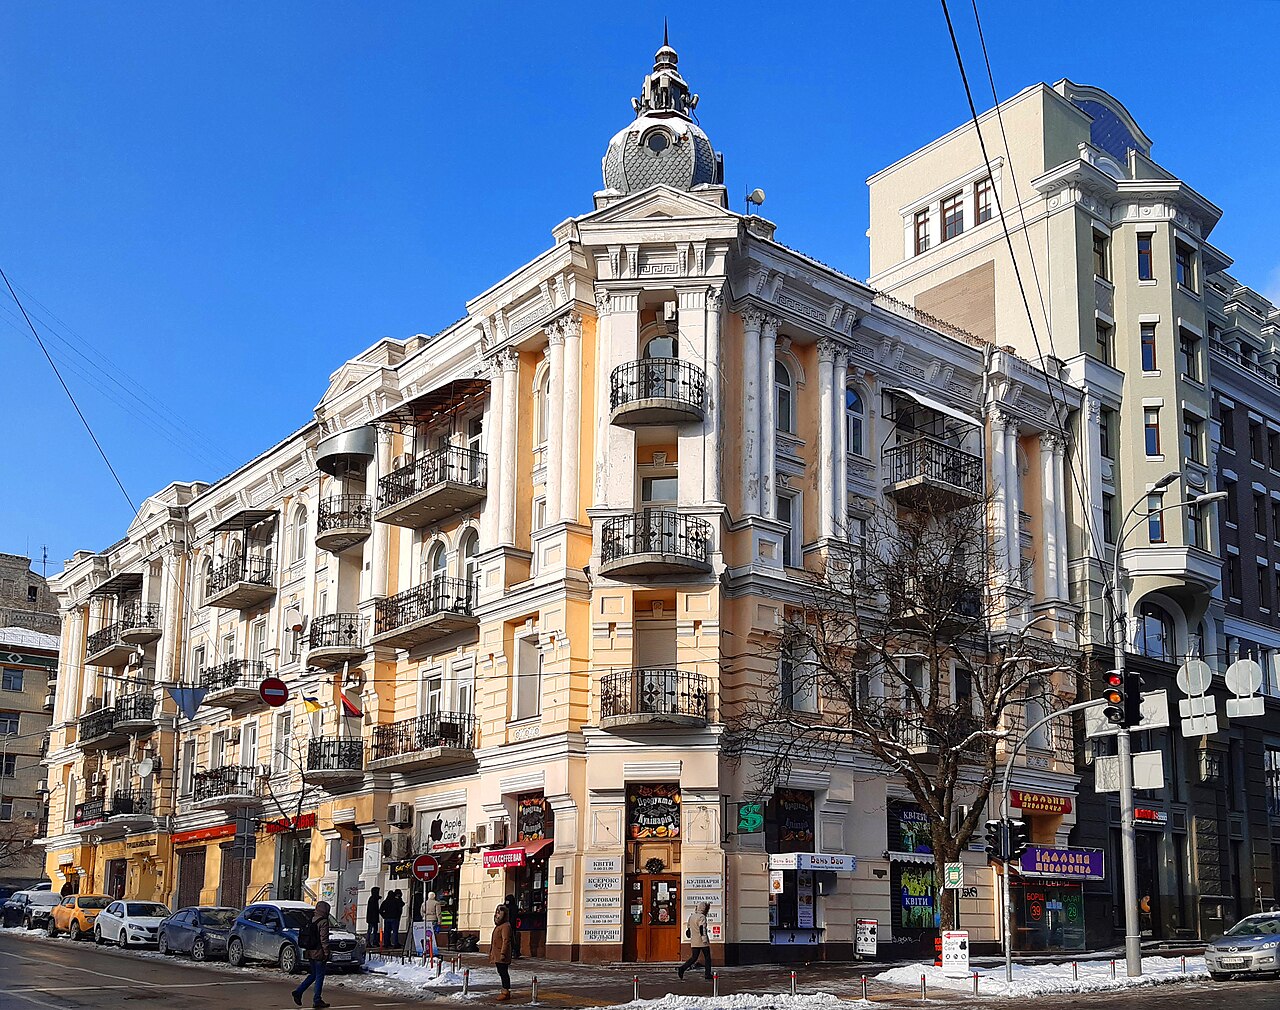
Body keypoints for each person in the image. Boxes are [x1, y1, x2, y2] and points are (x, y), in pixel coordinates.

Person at [291, 900, 331, 1009]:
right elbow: (324, 939)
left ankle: (298, 992)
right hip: (319, 953)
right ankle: (317, 999)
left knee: (313, 974)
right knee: (319, 976)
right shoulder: (323, 922)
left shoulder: (312, 919)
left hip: (310, 951)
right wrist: (326, 952)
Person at [677, 902, 712, 981]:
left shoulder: (691, 916)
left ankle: (682, 968)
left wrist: (691, 936)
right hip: (702, 941)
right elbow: (702, 929)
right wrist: (705, 939)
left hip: (694, 941)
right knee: (707, 958)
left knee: (694, 958)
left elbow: (688, 929)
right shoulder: (702, 917)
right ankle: (707, 974)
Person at [489, 905, 514, 1001]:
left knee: (503, 973)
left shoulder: (505, 926)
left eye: (499, 913)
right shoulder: (499, 926)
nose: (497, 915)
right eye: (496, 912)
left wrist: (503, 953)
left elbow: (506, 940)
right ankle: (504, 990)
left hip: (501, 954)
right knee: (501, 972)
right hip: (498, 953)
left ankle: (506, 991)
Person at [503, 892, 521, 958]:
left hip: (511, 925)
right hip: (506, 925)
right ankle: (511, 952)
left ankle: (515, 952)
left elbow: (513, 916)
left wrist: (510, 923)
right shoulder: (505, 906)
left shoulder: (513, 907)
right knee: (507, 939)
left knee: (512, 939)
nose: (507, 902)